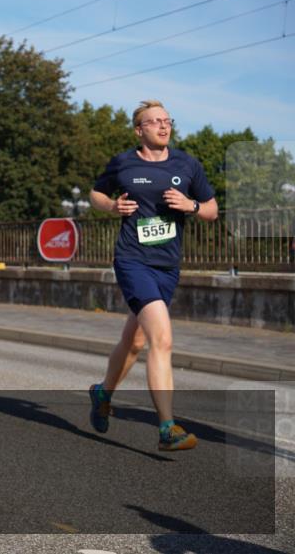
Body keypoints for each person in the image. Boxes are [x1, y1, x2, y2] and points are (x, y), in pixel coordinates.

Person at [88, 100, 218, 451]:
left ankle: (102, 394)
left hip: (167, 266)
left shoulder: (187, 164)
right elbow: (96, 193)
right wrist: (112, 206)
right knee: (162, 338)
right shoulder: (123, 163)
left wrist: (191, 205)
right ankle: (167, 428)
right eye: (155, 121)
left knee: (134, 342)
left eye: (167, 120)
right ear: (139, 130)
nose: (163, 126)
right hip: (133, 260)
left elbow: (212, 209)